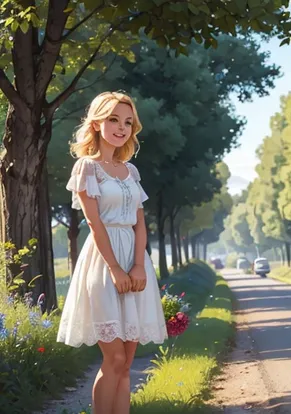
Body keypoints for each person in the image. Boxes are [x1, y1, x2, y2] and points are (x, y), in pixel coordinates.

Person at [56, 91, 168, 413]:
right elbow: (94, 223)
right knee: (114, 357)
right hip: (103, 263)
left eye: (128, 122)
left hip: (135, 261)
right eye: (114, 119)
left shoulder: (130, 172)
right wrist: (116, 269)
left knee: (128, 362)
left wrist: (137, 266)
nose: (121, 127)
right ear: (97, 123)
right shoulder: (86, 168)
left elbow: (139, 223)